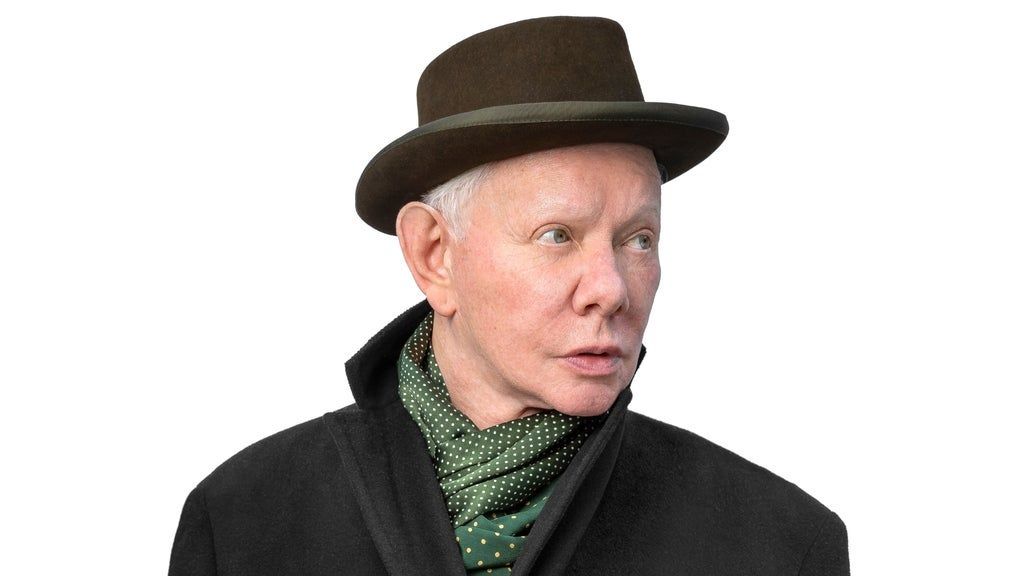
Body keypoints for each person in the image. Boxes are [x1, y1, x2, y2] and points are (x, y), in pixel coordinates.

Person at [168, 16, 850, 576]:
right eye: (558, 235)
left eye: (639, 239)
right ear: (434, 255)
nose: (611, 289)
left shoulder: (780, 546)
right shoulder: (244, 523)